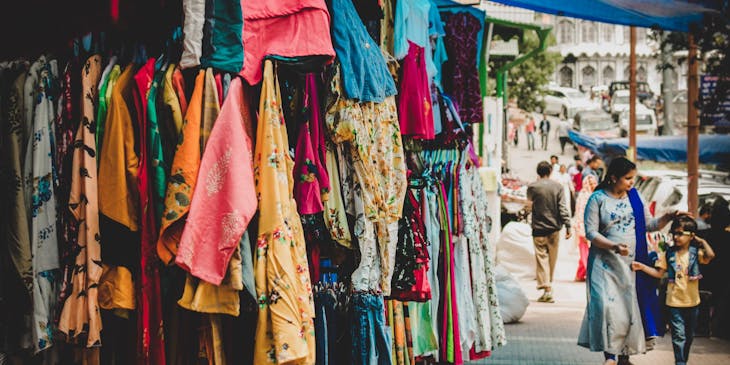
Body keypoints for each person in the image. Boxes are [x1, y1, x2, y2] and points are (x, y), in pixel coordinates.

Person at [577, 157, 682, 365]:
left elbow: (649, 225)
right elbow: (590, 232)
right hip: (603, 265)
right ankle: (610, 355)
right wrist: (613, 246)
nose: (631, 183)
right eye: (627, 178)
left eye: (632, 178)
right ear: (613, 177)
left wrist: (668, 217)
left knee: (626, 310)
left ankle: (623, 356)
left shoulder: (635, 197)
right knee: (606, 307)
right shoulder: (597, 199)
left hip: (630, 266)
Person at [632, 216, 715, 365]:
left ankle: (683, 360)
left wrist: (701, 241)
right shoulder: (669, 254)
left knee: (689, 337)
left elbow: (710, 256)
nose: (676, 237)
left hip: (693, 302)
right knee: (679, 336)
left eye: (680, 234)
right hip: (674, 303)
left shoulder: (696, 254)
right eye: (674, 233)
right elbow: (658, 273)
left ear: (691, 236)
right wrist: (642, 267)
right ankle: (680, 362)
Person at [527, 161, 572, 303]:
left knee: (542, 259)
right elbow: (562, 207)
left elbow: (529, 203)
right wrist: (568, 225)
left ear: (537, 172)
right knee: (552, 259)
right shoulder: (558, 187)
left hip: (538, 228)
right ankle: (548, 286)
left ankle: (546, 288)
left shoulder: (532, 187)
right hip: (554, 228)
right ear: (551, 171)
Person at [573, 174, 598, 281]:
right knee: (587, 254)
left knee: (586, 253)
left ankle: (579, 275)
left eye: (594, 183)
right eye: (590, 183)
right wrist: (582, 231)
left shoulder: (595, 195)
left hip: (593, 229)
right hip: (583, 229)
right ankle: (592, 275)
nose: (592, 185)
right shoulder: (584, 196)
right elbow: (580, 214)